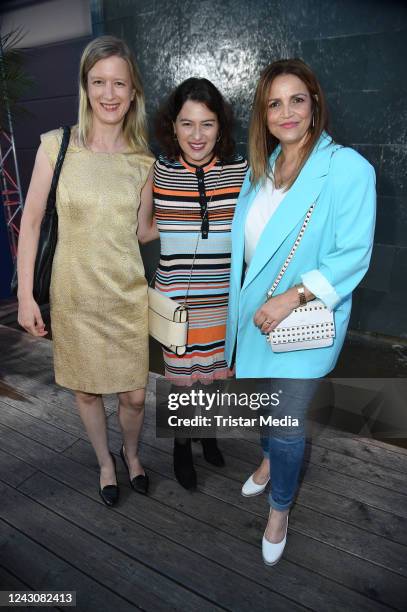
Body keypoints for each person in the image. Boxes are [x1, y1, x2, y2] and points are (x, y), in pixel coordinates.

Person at [225, 58, 376, 565]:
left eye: (296, 99)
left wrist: (289, 298)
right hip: (253, 322)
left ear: (314, 104)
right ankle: (267, 460)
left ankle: (280, 508)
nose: (286, 111)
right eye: (274, 103)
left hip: (299, 325)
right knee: (259, 410)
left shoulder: (347, 168)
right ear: (262, 115)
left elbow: (352, 254)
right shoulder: (259, 170)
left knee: (287, 425)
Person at [17, 36, 157, 506]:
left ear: (133, 91)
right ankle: (104, 462)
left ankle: (131, 452)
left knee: (134, 396)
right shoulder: (56, 146)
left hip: (126, 297)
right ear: (86, 86)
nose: (109, 93)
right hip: (74, 296)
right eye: (99, 82)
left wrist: (202, 215)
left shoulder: (144, 162)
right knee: (87, 393)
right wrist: (24, 297)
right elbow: (31, 221)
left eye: (119, 83)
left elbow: (142, 232)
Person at [152, 78, 248, 489]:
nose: (196, 135)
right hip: (176, 304)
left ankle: (206, 435)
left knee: (212, 380)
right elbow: (140, 229)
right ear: (173, 125)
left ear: (220, 127)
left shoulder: (242, 171)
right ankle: (179, 446)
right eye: (187, 123)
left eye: (206, 124)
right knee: (180, 385)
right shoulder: (156, 171)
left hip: (223, 304)